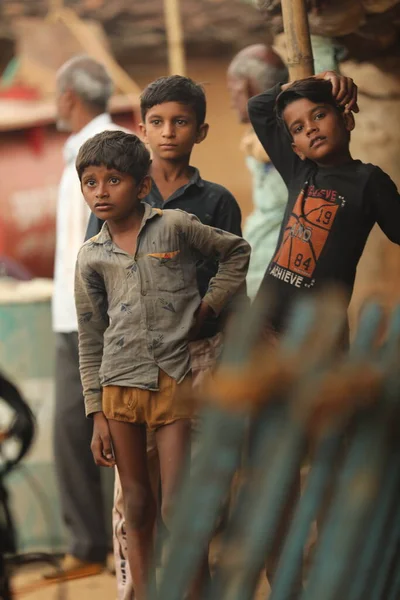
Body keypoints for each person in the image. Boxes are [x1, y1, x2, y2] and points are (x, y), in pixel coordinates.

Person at [85, 75, 244, 600]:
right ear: (142, 129)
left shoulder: (208, 203)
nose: (168, 132)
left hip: (191, 363)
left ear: (200, 130)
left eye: (179, 122)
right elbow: (97, 316)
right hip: (125, 371)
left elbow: (234, 261)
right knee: (135, 501)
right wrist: (96, 407)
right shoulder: (106, 210)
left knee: (189, 495)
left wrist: (210, 307)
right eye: (157, 122)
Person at [248, 71, 400, 595]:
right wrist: (315, 82)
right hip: (266, 336)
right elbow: (258, 106)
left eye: (319, 114)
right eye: (297, 126)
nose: (309, 129)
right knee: (275, 462)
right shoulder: (298, 170)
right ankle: (282, 577)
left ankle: (335, 568)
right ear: (289, 143)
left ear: (344, 115)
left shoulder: (368, 182)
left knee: (327, 453)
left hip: (321, 344)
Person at [50, 54, 127, 580]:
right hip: (79, 317)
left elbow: (100, 246)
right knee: (88, 431)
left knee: (86, 431)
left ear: (70, 98)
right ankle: (99, 544)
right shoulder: (93, 148)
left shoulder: (95, 153)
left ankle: (91, 546)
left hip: (86, 321)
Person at [227, 44, 289, 300]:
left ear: (246, 87)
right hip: (260, 274)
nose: (231, 101)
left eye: (233, 90)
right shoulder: (256, 140)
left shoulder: (288, 134)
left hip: (281, 276)